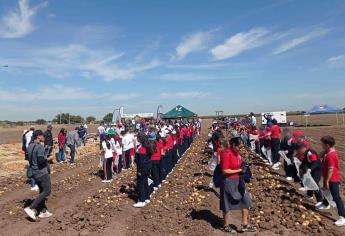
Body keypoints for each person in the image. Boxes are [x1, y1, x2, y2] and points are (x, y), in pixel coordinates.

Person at [220, 137, 256, 233]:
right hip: (228, 181)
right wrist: (239, 170)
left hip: (239, 181)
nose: (240, 149)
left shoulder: (237, 153)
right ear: (233, 145)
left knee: (246, 200)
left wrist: (244, 167)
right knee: (226, 203)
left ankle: (244, 225)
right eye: (239, 147)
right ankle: (226, 226)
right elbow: (225, 171)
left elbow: (239, 163)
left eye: (241, 147)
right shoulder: (226, 154)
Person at [24, 130, 53, 220]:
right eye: (43, 136)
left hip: (35, 172)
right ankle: (31, 208)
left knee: (42, 191)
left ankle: (42, 211)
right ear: (38, 137)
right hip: (42, 173)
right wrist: (49, 158)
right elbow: (41, 161)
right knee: (47, 191)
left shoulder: (30, 146)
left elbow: (29, 159)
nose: (44, 137)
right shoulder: (39, 147)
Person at [317, 136, 345, 226]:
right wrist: (325, 151)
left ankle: (342, 216)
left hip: (333, 179)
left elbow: (331, 169)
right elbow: (319, 156)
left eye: (323, 144)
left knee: (336, 197)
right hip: (328, 177)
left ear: (327, 145)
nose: (321, 146)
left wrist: (327, 180)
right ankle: (326, 204)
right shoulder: (328, 152)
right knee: (326, 191)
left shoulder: (331, 155)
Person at [133, 133, 153, 208]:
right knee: (145, 182)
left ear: (140, 139)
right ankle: (147, 197)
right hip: (147, 167)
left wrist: (140, 171)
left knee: (141, 183)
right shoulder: (146, 146)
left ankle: (141, 200)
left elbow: (142, 161)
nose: (136, 139)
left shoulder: (142, 149)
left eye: (137, 138)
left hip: (142, 168)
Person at [23, 126, 38, 191]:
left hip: (28, 150)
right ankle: (33, 184)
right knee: (33, 166)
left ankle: (33, 181)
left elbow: (25, 142)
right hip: (32, 150)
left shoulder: (26, 134)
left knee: (31, 164)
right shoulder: (34, 134)